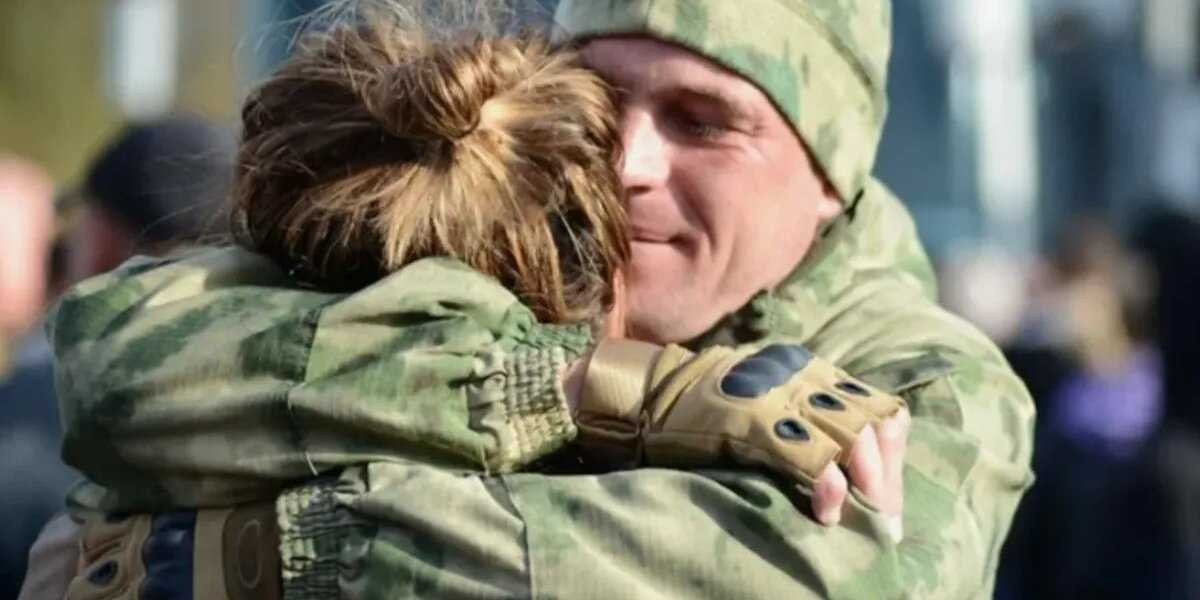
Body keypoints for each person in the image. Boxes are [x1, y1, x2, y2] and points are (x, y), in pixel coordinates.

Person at [29, 0, 1033, 598]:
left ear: (830, 177)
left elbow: (812, 578)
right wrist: (590, 386)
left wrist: (244, 557)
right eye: (601, 98)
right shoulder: (490, 237)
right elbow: (128, 363)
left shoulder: (930, 381)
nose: (629, 164)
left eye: (703, 121)